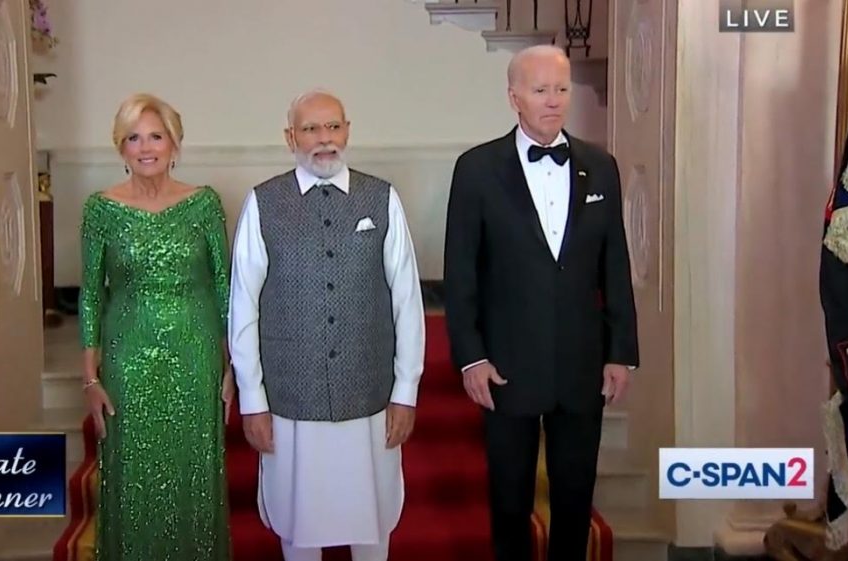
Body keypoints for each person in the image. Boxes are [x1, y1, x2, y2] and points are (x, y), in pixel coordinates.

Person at [442, 45, 639, 561]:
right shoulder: (476, 169)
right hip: (507, 366)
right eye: (540, 90)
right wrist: (471, 357)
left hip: (582, 365)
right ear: (514, 98)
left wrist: (621, 352)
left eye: (561, 89)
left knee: (575, 500)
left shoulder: (601, 166)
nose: (554, 100)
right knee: (509, 504)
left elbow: (615, 266)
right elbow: (460, 274)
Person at [228, 89, 425, 561]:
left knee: (372, 521)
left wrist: (406, 391)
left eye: (333, 126)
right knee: (299, 527)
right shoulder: (263, 202)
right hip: (291, 398)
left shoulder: (381, 198)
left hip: (369, 394)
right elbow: (243, 306)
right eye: (311, 128)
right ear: (290, 137)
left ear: (347, 131)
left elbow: (407, 300)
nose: (324, 138)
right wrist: (252, 399)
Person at [78, 93, 234, 561]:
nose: (146, 148)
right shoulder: (101, 210)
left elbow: (224, 286)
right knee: (134, 478)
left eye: (156, 136)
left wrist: (233, 367)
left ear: (174, 143)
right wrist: (90, 378)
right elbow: (90, 294)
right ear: (120, 147)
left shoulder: (204, 204)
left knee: (193, 477)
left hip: (195, 358)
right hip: (128, 360)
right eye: (133, 138)